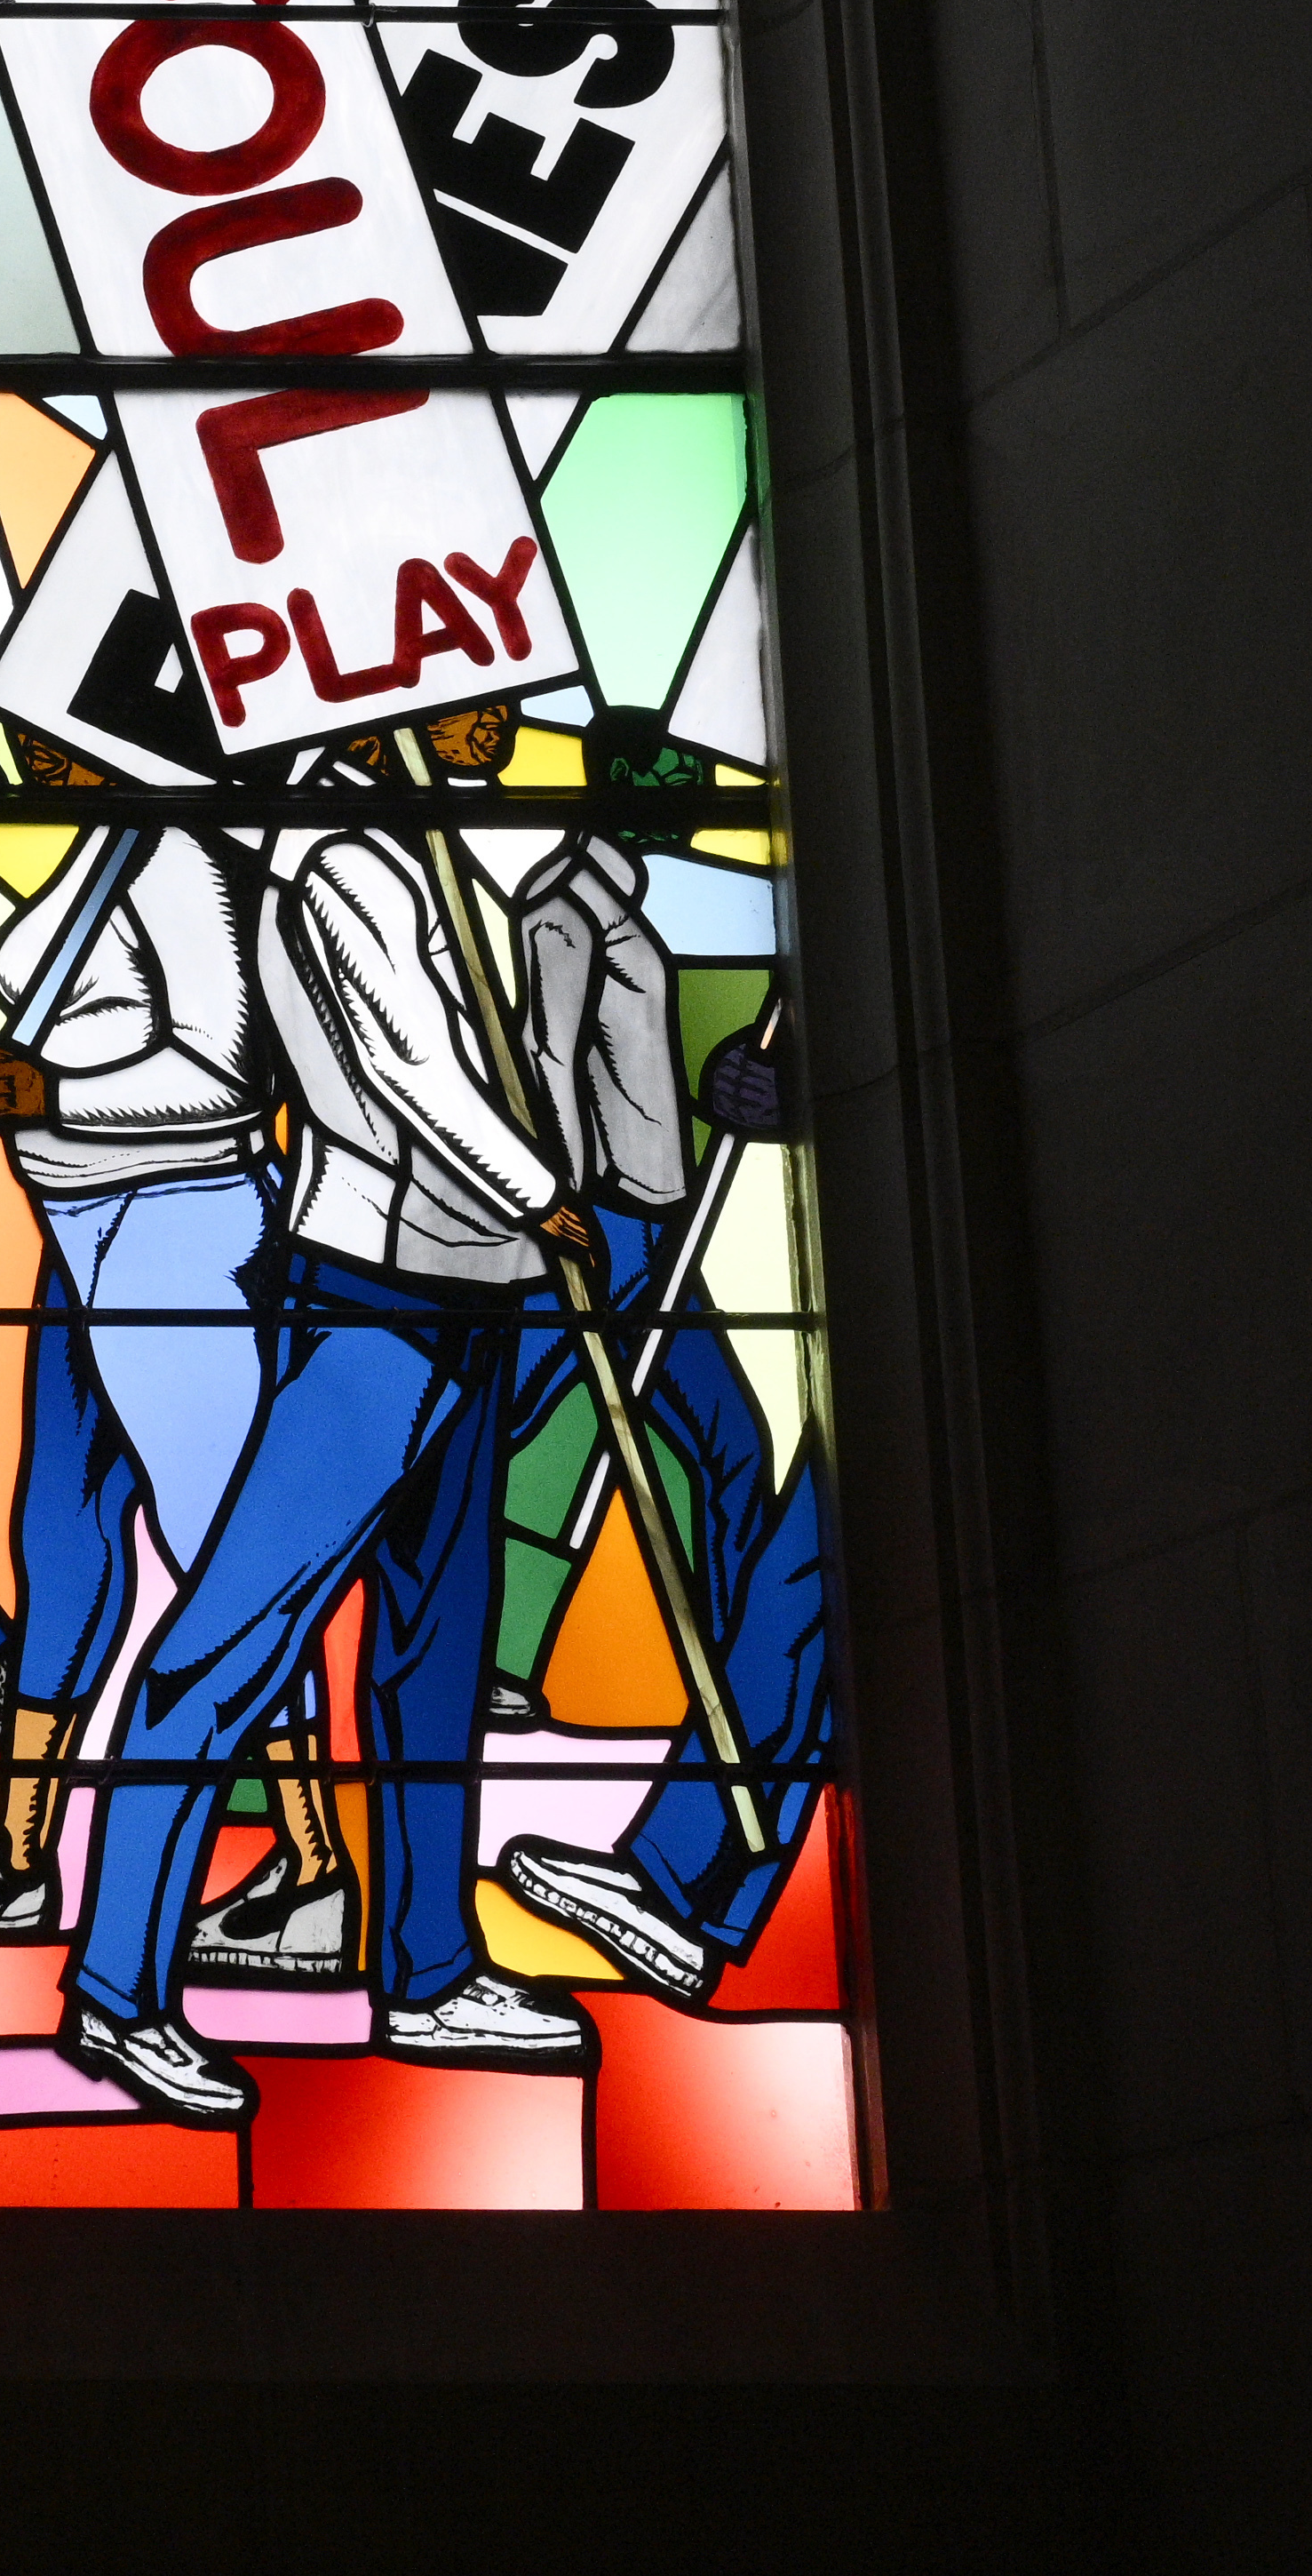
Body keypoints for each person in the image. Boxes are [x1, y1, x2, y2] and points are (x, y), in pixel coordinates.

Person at [54, 700, 603, 2125]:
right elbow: (414, 1072)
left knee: (435, 1651)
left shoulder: (422, 840)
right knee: (234, 1637)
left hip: (470, 1286)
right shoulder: (346, 854)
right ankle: (117, 1991)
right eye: (480, 688)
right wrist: (545, 1196)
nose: (508, 712)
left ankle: (428, 1970)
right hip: (377, 1287)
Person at [0, 719, 313, 1961]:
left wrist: (48, 1096)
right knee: (62, 1540)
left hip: (176, 1226)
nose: (27, 755)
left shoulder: (184, 855)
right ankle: (21, 1848)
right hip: (78, 1226)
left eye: (51, 736)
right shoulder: (101, 841)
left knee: (228, 1548)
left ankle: (313, 1861)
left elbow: (226, 1071)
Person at [486, 849, 830, 2010]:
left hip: (644, 1220)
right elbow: (546, 1054)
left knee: (755, 1501)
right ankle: (684, 1876)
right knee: (507, 1431)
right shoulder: (561, 906)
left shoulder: (637, 901)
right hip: (597, 1221)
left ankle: (690, 1880)